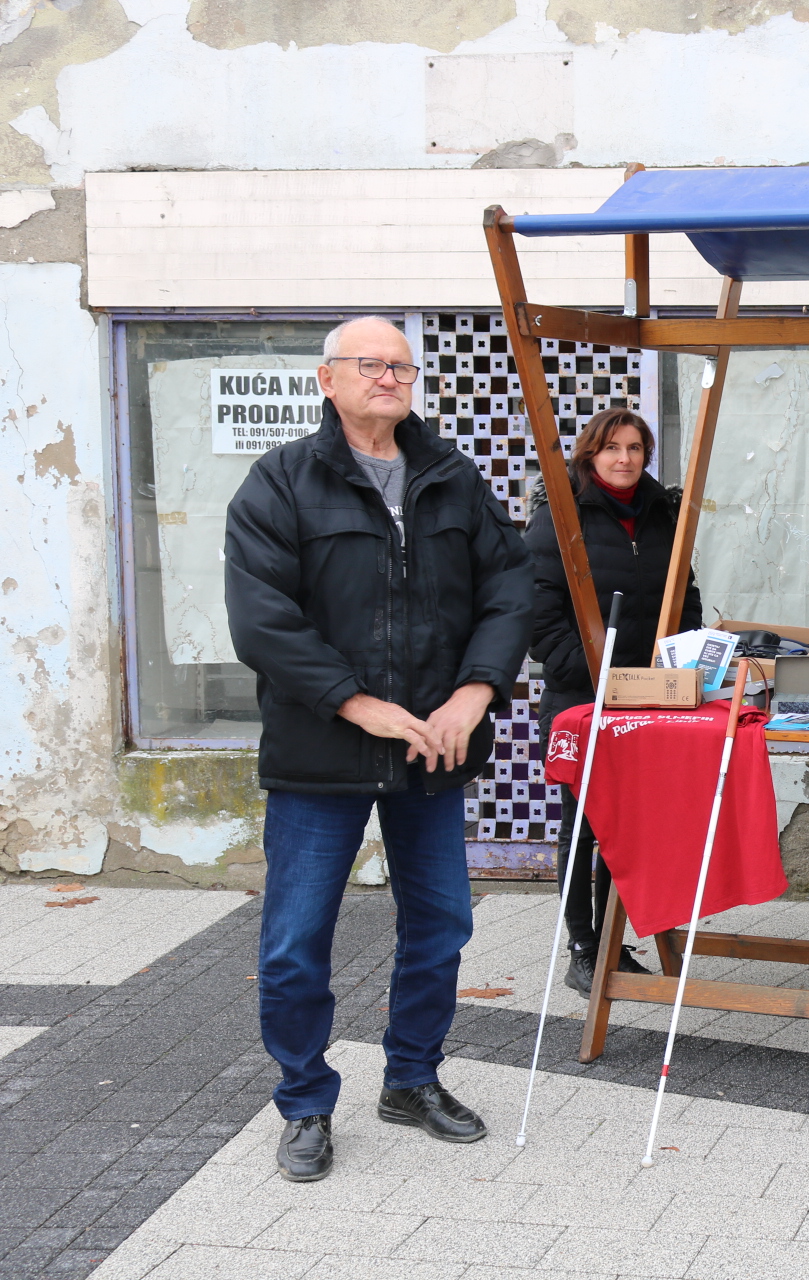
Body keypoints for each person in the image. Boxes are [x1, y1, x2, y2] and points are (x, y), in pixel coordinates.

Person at [225, 316, 534, 1183]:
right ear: (328, 379)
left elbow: (510, 588)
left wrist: (475, 692)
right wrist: (357, 704)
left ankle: (411, 1078)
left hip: (433, 750)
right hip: (320, 752)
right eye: (371, 364)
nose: (390, 377)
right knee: (295, 940)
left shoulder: (451, 477)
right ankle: (304, 1100)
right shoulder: (280, 482)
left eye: (401, 364)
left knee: (441, 924)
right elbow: (261, 619)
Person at [524, 406, 701, 994]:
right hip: (583, 693)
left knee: (633, 823)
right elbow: (539, 615)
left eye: (634, 448)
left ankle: (616, 939)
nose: (624, 459)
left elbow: (686, 594)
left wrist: (684, 661)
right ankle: (583, 945)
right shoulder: (560, 514)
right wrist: (596, 671)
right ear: (590, 454)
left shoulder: (662, 512)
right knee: (584, 825)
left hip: (652, 695)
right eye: (612, 448)